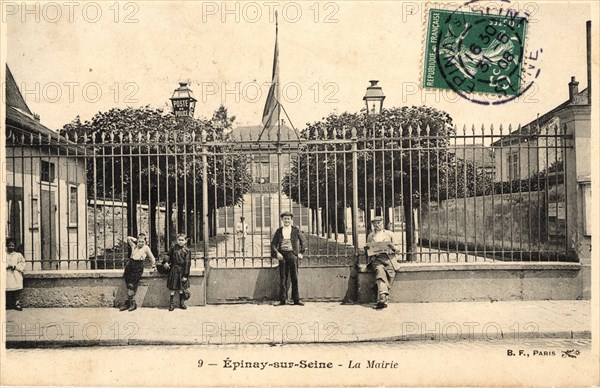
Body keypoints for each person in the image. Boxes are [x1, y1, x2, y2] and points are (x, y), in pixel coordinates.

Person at [271, 211, 307, 306]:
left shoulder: (295, 229)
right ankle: (282, 300)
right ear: (282, 220)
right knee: (283, 277)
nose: (286, 220)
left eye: (288, 218)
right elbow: (273, 244)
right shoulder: (279, 231)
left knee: (294, 277)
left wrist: (301, 253)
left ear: (291, 220)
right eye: (284, 218)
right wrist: (277, 253)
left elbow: (303, 241)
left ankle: (296, 299)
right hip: (282, 255)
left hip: (292, 254)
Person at [365, 216, 398, 310]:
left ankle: (380, 294)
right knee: (380, 272)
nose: (377, 225)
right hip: (376, 259)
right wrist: (368, 250)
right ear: (373, 224)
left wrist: (392, 247)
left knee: (390, 276)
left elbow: (398, 250)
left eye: (379, 223)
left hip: (389, 259)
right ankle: (383, 296)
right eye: (375, 223)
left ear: (382, 223)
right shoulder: (370, 236)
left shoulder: (390, 234)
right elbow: (368, 249)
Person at [120, 234, 157, 311]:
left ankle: (133, 303)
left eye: (143, 241)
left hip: (138, 266)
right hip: (130, 265)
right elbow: (128, 238)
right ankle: (128, 303)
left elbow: (152, 258)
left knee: (132, 285)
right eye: (139, 241)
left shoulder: (146, 248)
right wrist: (136, 240)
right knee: (128, 284)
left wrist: (153, 267)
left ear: (145, 242)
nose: (141, 243)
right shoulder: (134, 246)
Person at [164, 233, 192, 311]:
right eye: (179, 240)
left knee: (181, 288)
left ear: (186, 241)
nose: (180, 241)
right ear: (177, 240)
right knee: (173, 288)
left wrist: (185, 275)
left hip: (182, 271)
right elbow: (168, 255)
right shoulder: (173, 248)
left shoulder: (187, 251)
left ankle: (181, 303)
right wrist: (166, 261)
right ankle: (171, 304)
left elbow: (187, 263)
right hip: (174, 269)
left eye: (182, 240)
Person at [5, 238, 26, 311]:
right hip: (6, 274)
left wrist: (15, 266)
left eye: (12, 245)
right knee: (7, 289)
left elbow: (22, 263)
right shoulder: (4, 255)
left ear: (15, 246)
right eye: (9, 245)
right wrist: (6, 266)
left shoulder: (18, 255)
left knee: (16, 289)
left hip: (15, 274)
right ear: (7, 246)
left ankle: (17, 303)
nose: (11, 247)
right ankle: (7, 304)